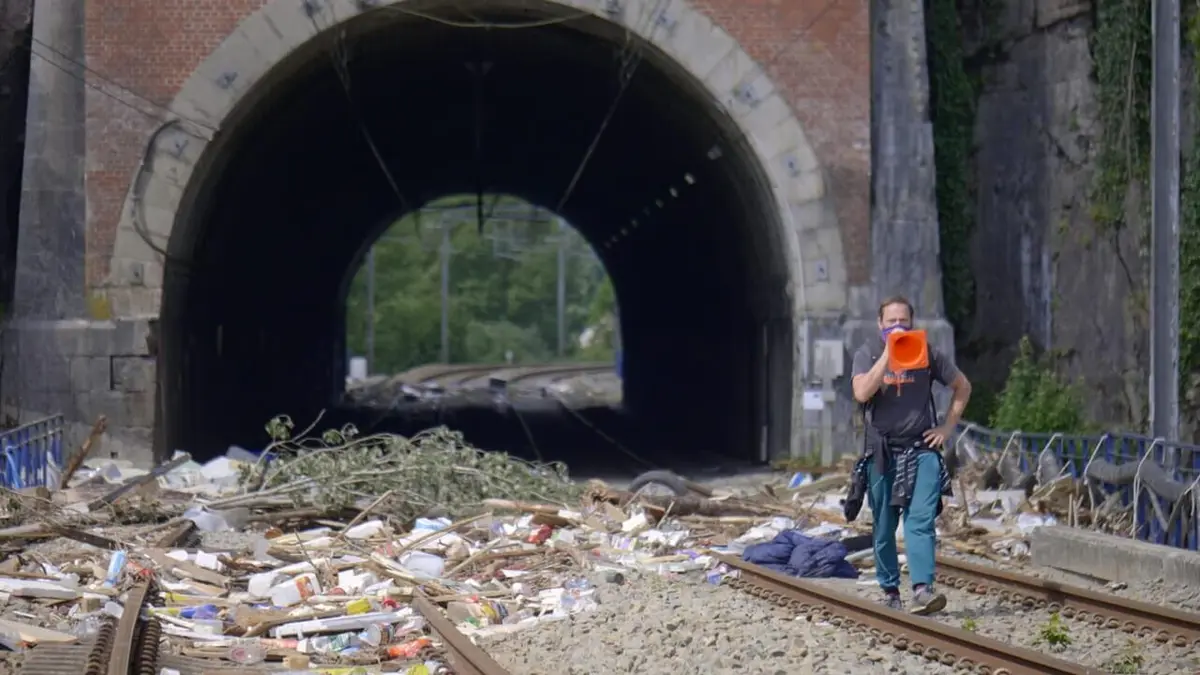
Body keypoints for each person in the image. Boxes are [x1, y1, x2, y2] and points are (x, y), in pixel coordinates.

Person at [848, 295, 972, 615]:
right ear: (880, 325)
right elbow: (861, 392)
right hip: (883, 451)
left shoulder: (927, 352)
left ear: (913, 322)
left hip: (922, 448)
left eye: (904, 321)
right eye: (892, 322)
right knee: (884, 524)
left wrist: (946, 428)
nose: (899, 326)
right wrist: (889, 355)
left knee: (919, 520)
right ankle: (890, 590)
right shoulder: (868, 353)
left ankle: (922, 589)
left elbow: (963, 387)